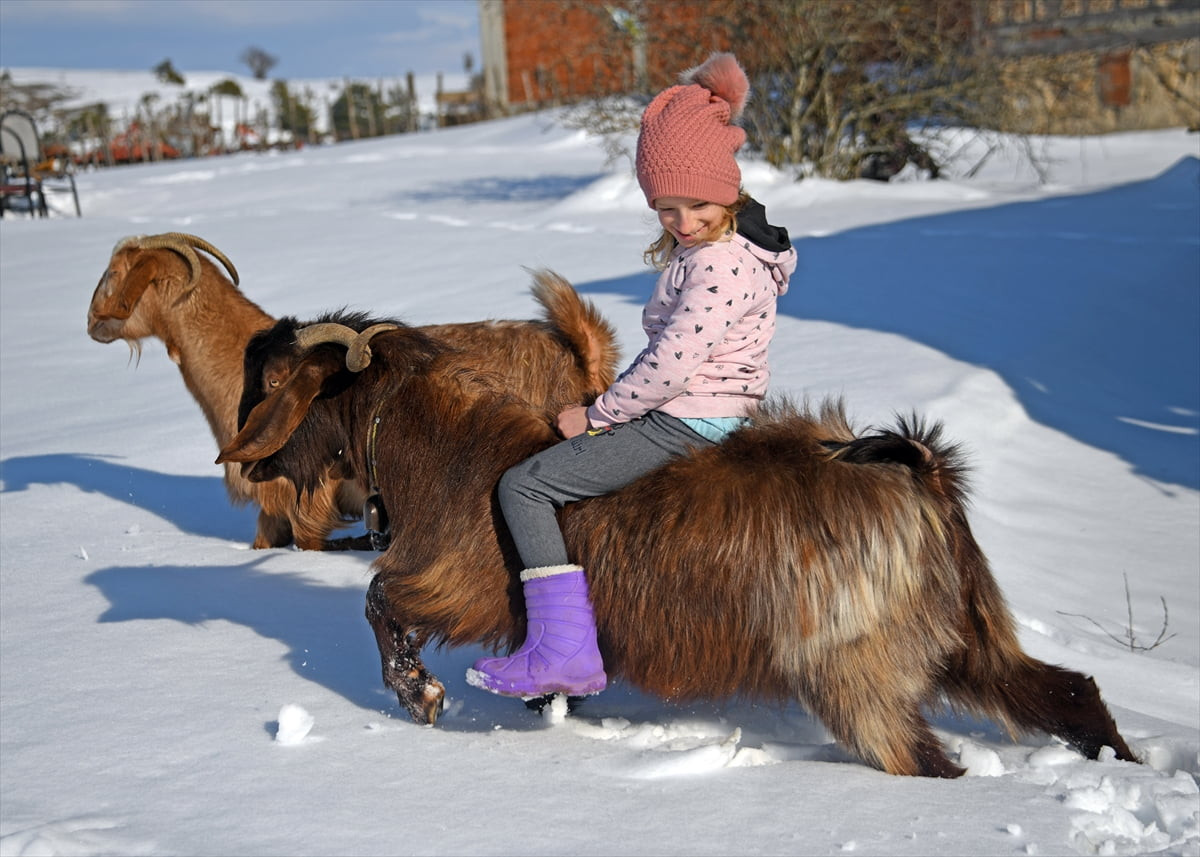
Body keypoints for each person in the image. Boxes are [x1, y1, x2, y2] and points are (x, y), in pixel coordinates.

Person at [466, 52, 797, 700]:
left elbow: (673, 364)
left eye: (697, 204)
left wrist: (597, 415)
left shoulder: (717, 266)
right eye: (666, 209)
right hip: (700, 410)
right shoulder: (718, 251)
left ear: (728, 189)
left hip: (688, 420)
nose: (682, 222)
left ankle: (564, 651)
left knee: (526, 485)